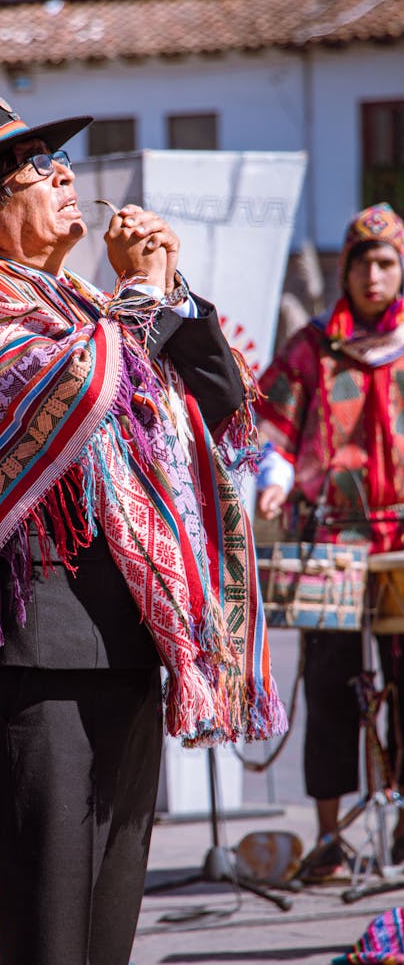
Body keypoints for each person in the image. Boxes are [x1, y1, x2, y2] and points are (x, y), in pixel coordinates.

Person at [0, 92, 286, 965]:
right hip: (31, 661)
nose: (66, 178)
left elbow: (217, 402)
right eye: (36, 171)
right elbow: (72, 393)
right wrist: (139, 301)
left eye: (63, 165)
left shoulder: (91, 312)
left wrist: (165, 295)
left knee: (107, 929)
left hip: (127, 643)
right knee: (52, 929)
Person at [256, 202, 404, 878]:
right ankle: (330, 841)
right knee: (327, 686)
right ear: (344, 268)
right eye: (363, 262)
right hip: (322, 538)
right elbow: (275, 429)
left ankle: (399, 824)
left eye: (387, 262)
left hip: (401, 540)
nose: (374, 275)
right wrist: (274, 480)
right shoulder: (310, 346)